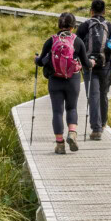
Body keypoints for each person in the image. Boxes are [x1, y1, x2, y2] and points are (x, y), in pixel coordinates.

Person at [35, 12, 89, 154]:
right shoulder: (77, 41)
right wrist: (93, 62)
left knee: (57, 111)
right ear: (73, 26)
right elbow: (86, 63)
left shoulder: (51, 41)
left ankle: (60, 144)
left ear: (59, 25)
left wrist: (36, 59)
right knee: (72, 108)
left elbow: (41, 62)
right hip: (73, 80)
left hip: (55, 80)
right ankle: (72, 133)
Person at [77, 0, 111, 140]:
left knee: (93, 96)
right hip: (106, 67)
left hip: (89, 67)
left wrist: (78, 64)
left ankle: (96, 130)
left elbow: (76, 46)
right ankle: (102, 124)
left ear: (91, 11)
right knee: (103, 95)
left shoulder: (84, 26)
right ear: (104, 12)